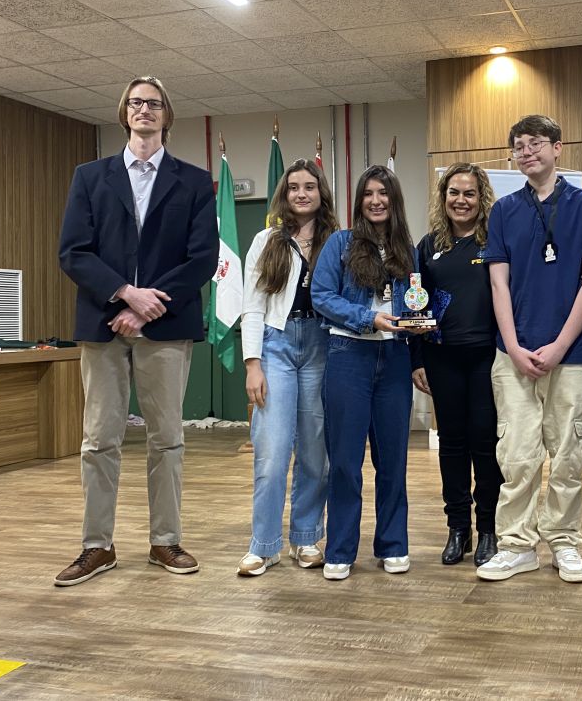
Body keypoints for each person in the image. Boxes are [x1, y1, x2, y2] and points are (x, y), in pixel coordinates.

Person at [55, 76, 218, 586]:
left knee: (166, 439)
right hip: (104, 324)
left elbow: (202, 259)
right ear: (124, 113)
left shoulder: (194, 182)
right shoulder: (90, 177)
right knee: (98, 440)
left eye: (153, 103)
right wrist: (126, 293)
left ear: (167, 115)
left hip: (166, 327)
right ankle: (96, 546)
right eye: (135, 102)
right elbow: (73, 252)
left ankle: (165, 540)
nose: (144, 109)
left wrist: (147, 308)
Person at [476, 114, 582, 583]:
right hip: (513, 355)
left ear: (557, 148)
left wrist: (559, 345)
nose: (527, 152)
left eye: (536, 143)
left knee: (569, 453)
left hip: (572, 354)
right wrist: (513, 346)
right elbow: (498, 283)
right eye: (518, 146)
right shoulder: (504, 210)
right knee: (516, 454)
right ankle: (516, 545)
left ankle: (564, 541)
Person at [311, 165, 429, 581]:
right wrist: (367, 318)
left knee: (393, 459)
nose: (376, 201)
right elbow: (321, 295)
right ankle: (341, 549)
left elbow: (415, 304)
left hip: (395, 359)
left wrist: (417, 339)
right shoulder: (340, 243)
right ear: (359, 200)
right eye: (368, 194)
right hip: (349, 356)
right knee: (345, 460)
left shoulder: (407, 249)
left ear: (394, 200)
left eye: (383, 193)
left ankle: (393, 544)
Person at [237, 159, 338, 577]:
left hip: (321, 346)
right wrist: (253, 364)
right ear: (285, 193)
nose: (301, 194)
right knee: (272, 453)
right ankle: (263, 546)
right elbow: (252, 305)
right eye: (294, 187)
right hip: (276, 346)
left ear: (321, 193)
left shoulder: (337, 240)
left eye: (309, 186)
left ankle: (306, 538)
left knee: (315, 454)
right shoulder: (267, 240)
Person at [410, 163, 502, 566]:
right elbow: (414, 305)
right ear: (443, 197)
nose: (461, 201)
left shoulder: (495, 242)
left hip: (486, 356)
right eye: (454, 193)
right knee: (451, 444)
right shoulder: (428, 246)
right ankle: (458, 528)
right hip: (441, 356)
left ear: (481, 199)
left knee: (485, 443)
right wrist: (416, 359)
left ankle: (488, 529)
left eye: (469, 193)